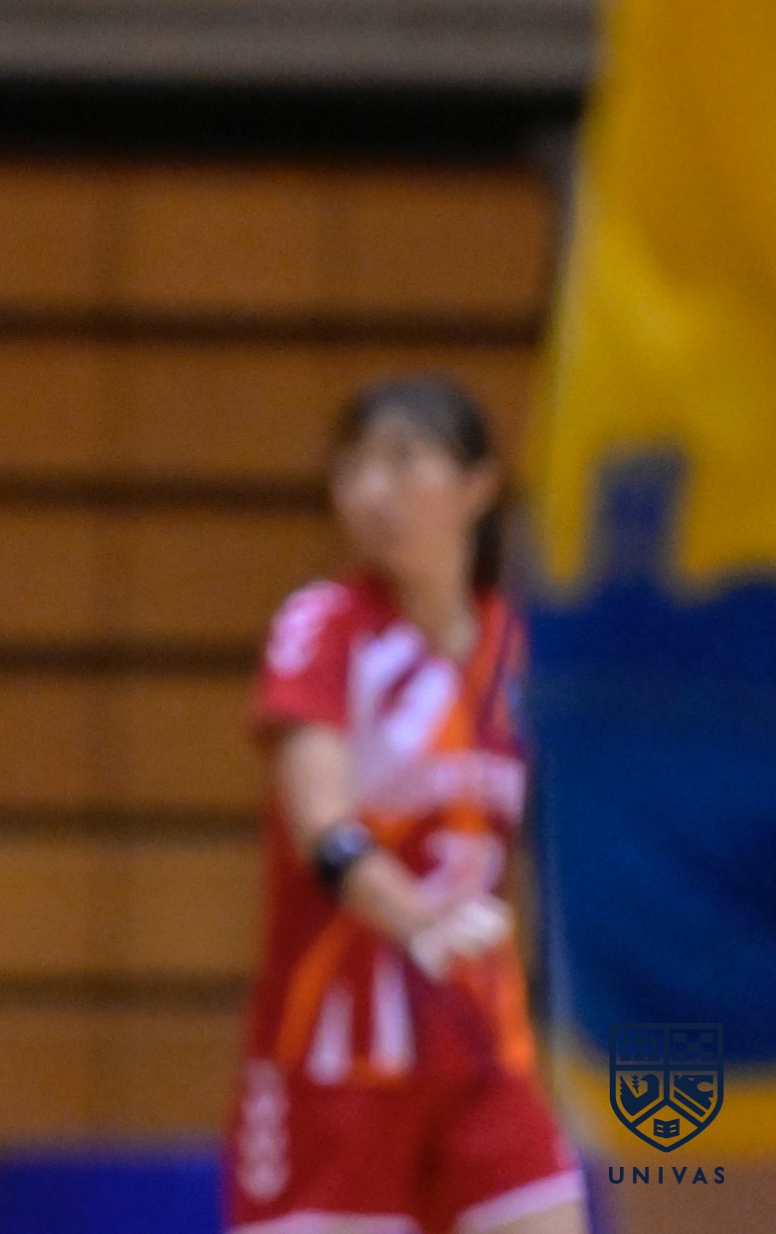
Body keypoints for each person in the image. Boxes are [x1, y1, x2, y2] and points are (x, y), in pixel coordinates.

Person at [224, 378, 583, 1234]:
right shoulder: (325, 626)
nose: (370, 491)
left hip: (480, 1047)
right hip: (335, 1057)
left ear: (478, 486)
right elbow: (320, 824)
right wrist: (416, 919)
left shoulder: (525, 651)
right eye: (352, 468)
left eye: (401, 461)